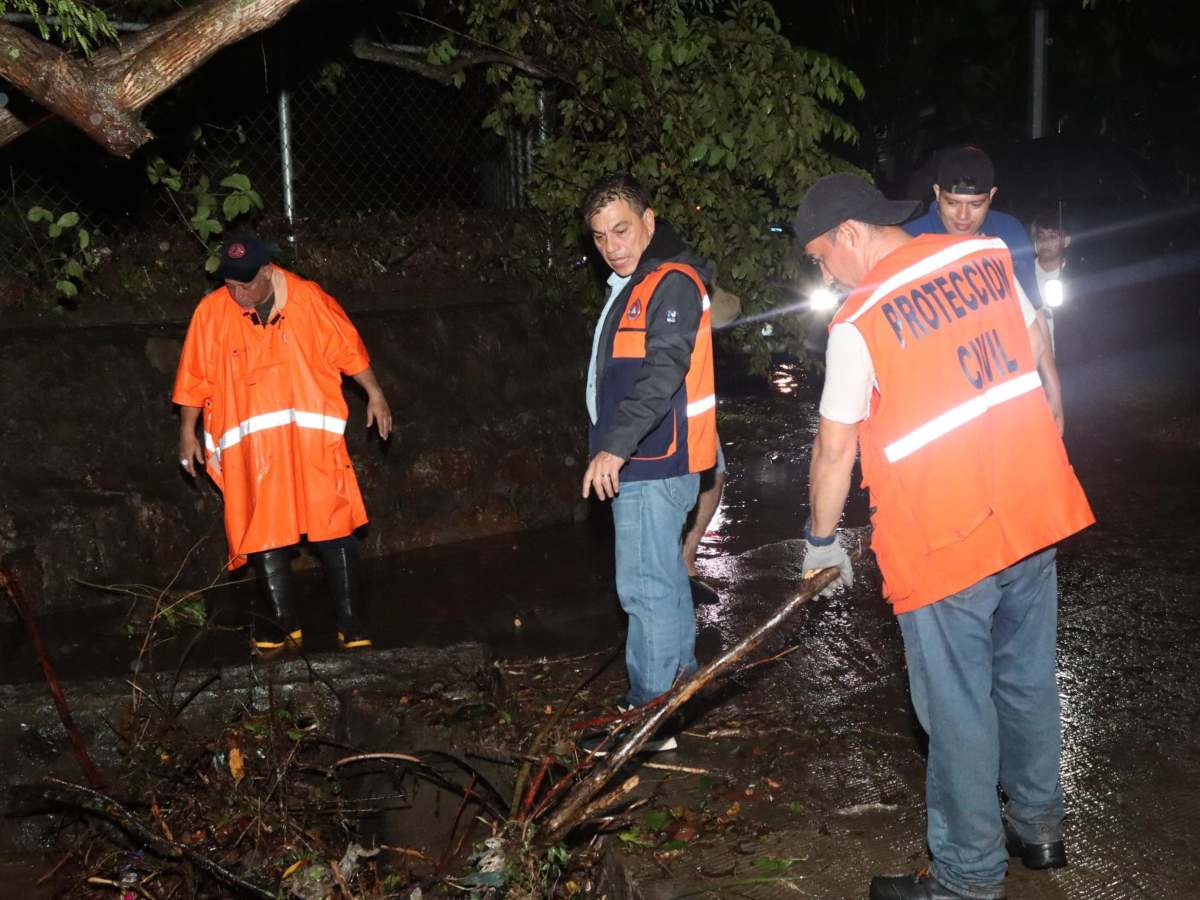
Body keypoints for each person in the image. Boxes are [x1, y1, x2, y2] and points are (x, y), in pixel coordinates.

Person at [793, 174, 1094, 900]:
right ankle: (1039, 827)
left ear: (852, 235)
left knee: (958, 707)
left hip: (945, 537)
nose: (823, 273)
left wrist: (821, 539)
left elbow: (835, 448)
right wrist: (1054, 409)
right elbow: (1035, 338)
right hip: (1028, 510)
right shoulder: (985, 255)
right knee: (1023, 679)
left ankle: (966, 877)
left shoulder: (860, 317)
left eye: (821, 257)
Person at [173, 234, 392, 652]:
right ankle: (283, 623)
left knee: (332, 521)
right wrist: (187, 432)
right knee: (264, 530)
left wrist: (376, 395)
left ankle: (351, 622)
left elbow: (348, 350)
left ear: (268, 272)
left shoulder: (309, 300)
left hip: (310, 442)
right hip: (253, 451)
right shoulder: (211, 313)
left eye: (245, 284)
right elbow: (194, 377)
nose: (236, 293)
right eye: (229, 285)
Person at [581, 174, 718, 739]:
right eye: (599, 236)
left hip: (652, 459)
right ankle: (673, 696)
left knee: (644, 585)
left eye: (621, 229)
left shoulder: (671, 283)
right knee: (660, 578)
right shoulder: (635, 281)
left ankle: (647, 715)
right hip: (648, 457)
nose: (612, 245)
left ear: (650, 221)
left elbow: (665, 371)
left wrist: (615, 446)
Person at [904, 144, 1065, 432]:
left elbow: (1035, 314)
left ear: (991, 196)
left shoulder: (1009, 232)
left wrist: (1053, 392)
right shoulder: (911, 241)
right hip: (937, 397)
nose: (963, 216)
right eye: (952, 203)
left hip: (1002, 386)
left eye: (976, 204)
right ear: (937, 193)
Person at [1031, 209, 1072, 349]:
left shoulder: (1076, 276)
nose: (1045, 242)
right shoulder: (1022, 274)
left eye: (1053, 236)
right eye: (1040, 236)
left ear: (1066, 241)